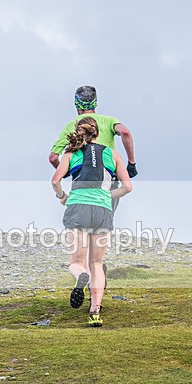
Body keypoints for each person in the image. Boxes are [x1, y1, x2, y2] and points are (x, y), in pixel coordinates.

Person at [51, 117, 132, 327]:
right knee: (97, 263)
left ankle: (81, 276)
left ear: (79, 133)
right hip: (103, 209)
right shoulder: (112, 153)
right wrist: (108, 195)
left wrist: (62, 196)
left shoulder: (71, 153)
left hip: (78, 206)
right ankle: (95, 312)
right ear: (97, 133)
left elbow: (55, 180)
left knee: (77, 262)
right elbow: (127, 187)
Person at [48, 85, 136, 175]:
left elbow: (53, 158)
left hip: (82, 175)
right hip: (107, 173)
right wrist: (131, 163)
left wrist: (65, 172)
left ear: (76, 103)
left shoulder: (71, 126)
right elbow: (125, 132)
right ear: (95, 102)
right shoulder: (109, 121)